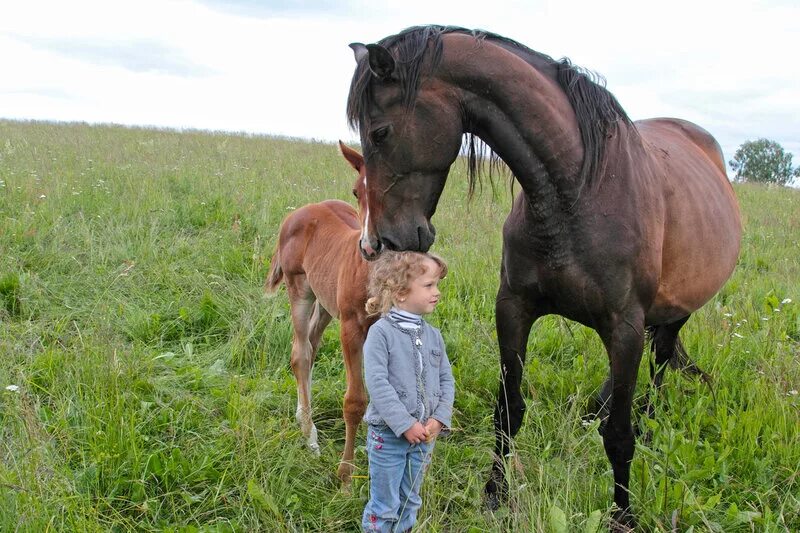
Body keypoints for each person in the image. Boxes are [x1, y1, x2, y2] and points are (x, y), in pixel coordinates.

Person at [361, 251, 455, 533]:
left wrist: (439, 418)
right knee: (385, 504)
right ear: (401, 293)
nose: (436, 292)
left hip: (425, 436)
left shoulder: (433, 335)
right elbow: (377, 384)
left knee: (410, 500)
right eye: (428, 286)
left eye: (437, 285)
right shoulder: (381, 334)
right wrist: (404, 424)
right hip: (388, 437)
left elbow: (446, 379)